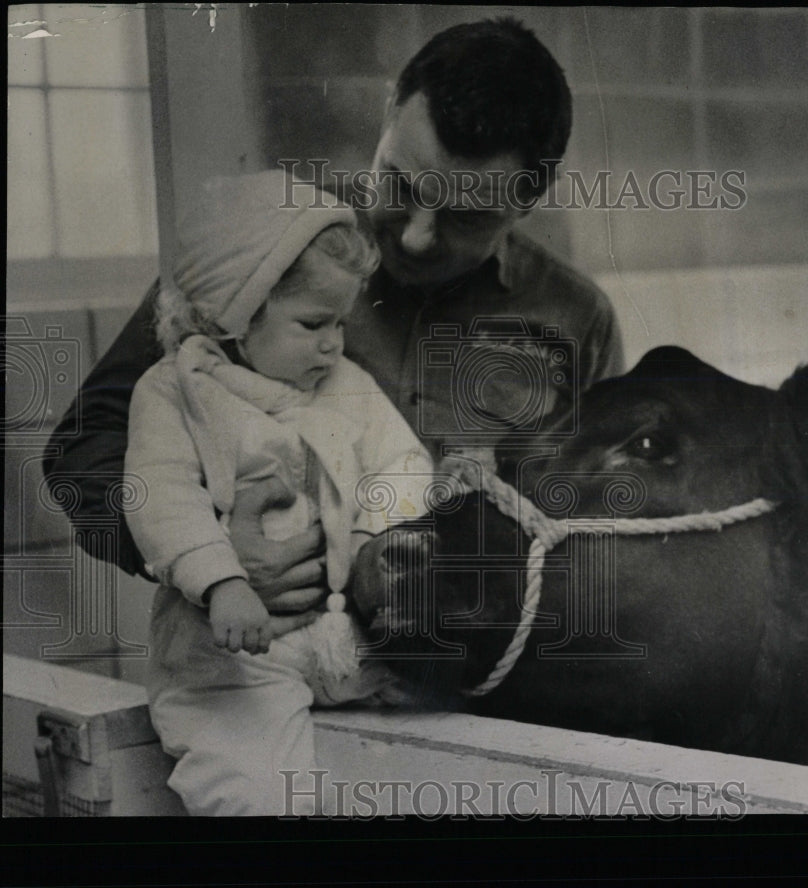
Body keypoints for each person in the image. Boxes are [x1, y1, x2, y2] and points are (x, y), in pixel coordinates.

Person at [44, 17, 625, 617]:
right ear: (387, 112)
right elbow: (85, 447)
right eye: (400, 185)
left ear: (528, 200)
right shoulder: (261, 244)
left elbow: (605, 530)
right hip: (264, 664)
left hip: (468, 677)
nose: (419, 238)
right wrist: (211, 559)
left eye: (467, 216)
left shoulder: (578, 320)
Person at [124, 170, 435, 815]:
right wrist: (222, 581)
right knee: (251, 787)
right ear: (236, 314)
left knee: (458, 698)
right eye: (313, 323)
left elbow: (401, 461)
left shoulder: (343, 382)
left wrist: (377, 536)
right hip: (236, 655)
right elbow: (159, 492)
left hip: (351, 634)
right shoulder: (175, 391)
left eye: (341, 324)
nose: (333, 344)